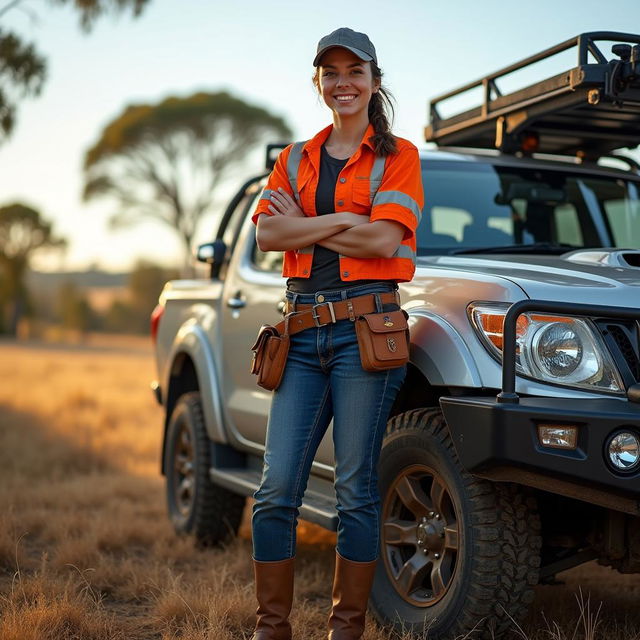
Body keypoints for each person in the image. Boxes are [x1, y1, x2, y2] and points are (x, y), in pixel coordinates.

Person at [249, 27, 424, 640]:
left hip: (364, 335)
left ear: (375, 81)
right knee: (274, 493)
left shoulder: (399, 155)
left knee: (353, 491)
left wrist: (308, 222)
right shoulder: (294, 157)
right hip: (299, 336)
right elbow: (268, 236)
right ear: (318, 83)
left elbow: (385, 240)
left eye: (356, 72)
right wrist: (345, 220)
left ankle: (345, 629)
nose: (343, 83)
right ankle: (272, 629)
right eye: (332, 73)